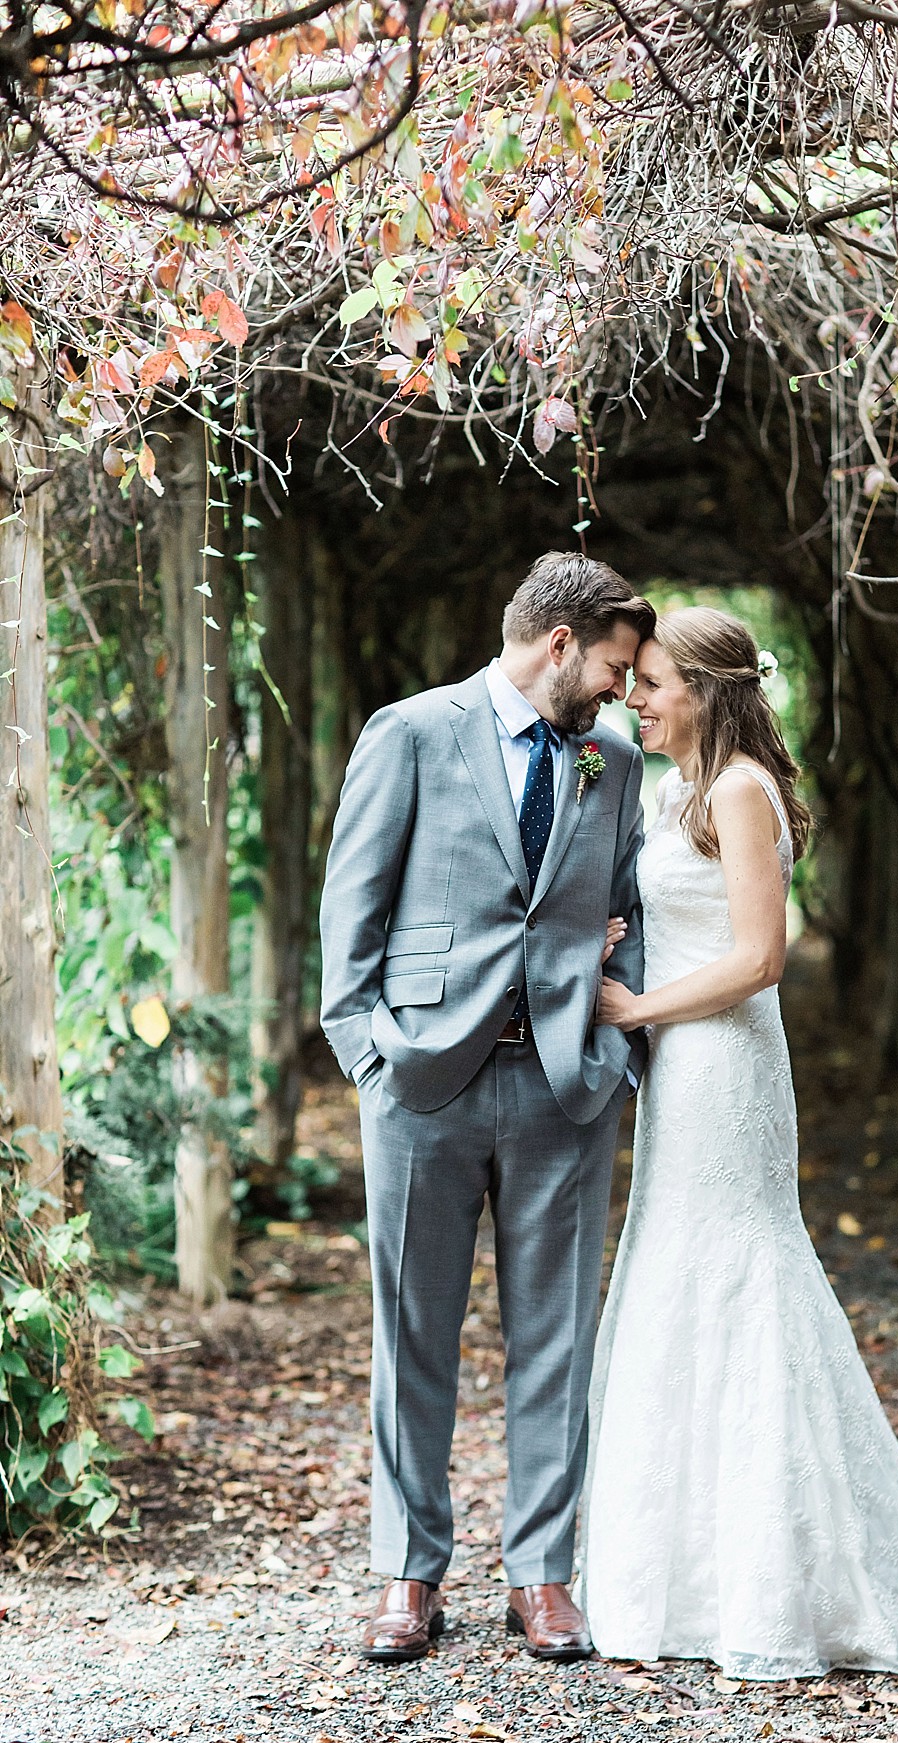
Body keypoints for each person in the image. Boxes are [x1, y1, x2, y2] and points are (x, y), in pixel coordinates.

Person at [583, 606, 898, 1680]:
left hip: (723, 1060)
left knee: (739, 1271)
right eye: (633, 681)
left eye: (654, 683)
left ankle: (777, 1584)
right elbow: (680, 911)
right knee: (675, 1269)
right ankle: (688, 1575)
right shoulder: (673, 789)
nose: (635, 697)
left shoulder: (738, 791)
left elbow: (764, 957)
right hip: (682, 1066)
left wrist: (633, 1010)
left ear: (710, 693)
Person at [319, 552, 655, 1663]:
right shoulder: (411, 732)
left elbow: (628, 908)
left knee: (553, 1338)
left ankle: (543, 1575)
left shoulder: (613, 758)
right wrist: (373, 1058)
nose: (619, 689)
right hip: (423, 1086)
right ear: (558, 643)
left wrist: (613, 1049)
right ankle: (409, 1574)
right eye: (610, 667)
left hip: (564, 1089)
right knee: (411, 1333)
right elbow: (350, 915)